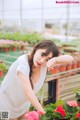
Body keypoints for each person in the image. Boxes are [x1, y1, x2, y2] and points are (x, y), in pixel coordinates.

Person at [0, 40, 74, 120]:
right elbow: (28, 92)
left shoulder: (45, 64)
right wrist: (43, 112)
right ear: (36, 49)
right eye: (42, 55)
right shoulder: (22, 64)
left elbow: (70, 58)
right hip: (4, 106)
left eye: (47, 59)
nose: (42, 61)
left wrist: (54, 60)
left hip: (22, 106)